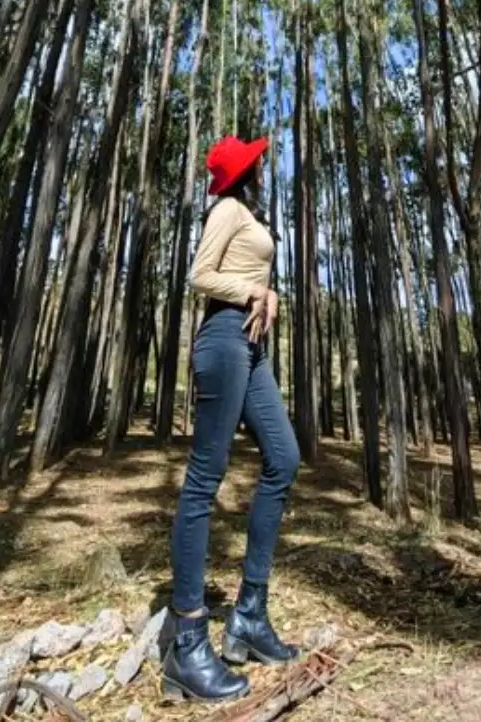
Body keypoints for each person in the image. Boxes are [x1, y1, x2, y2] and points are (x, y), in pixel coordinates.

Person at [161, 134, 302, 703]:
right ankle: (188, 641)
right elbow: (198, 275)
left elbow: (249, 280)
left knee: (284, 457)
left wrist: (269, 299)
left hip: (252, 347)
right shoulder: (226, 208)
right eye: (257, 162)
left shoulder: (247, 211)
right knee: (205, 478)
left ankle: (249, 615)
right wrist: (252, 293)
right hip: (223, 340)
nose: (263, 167)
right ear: (245, 171)